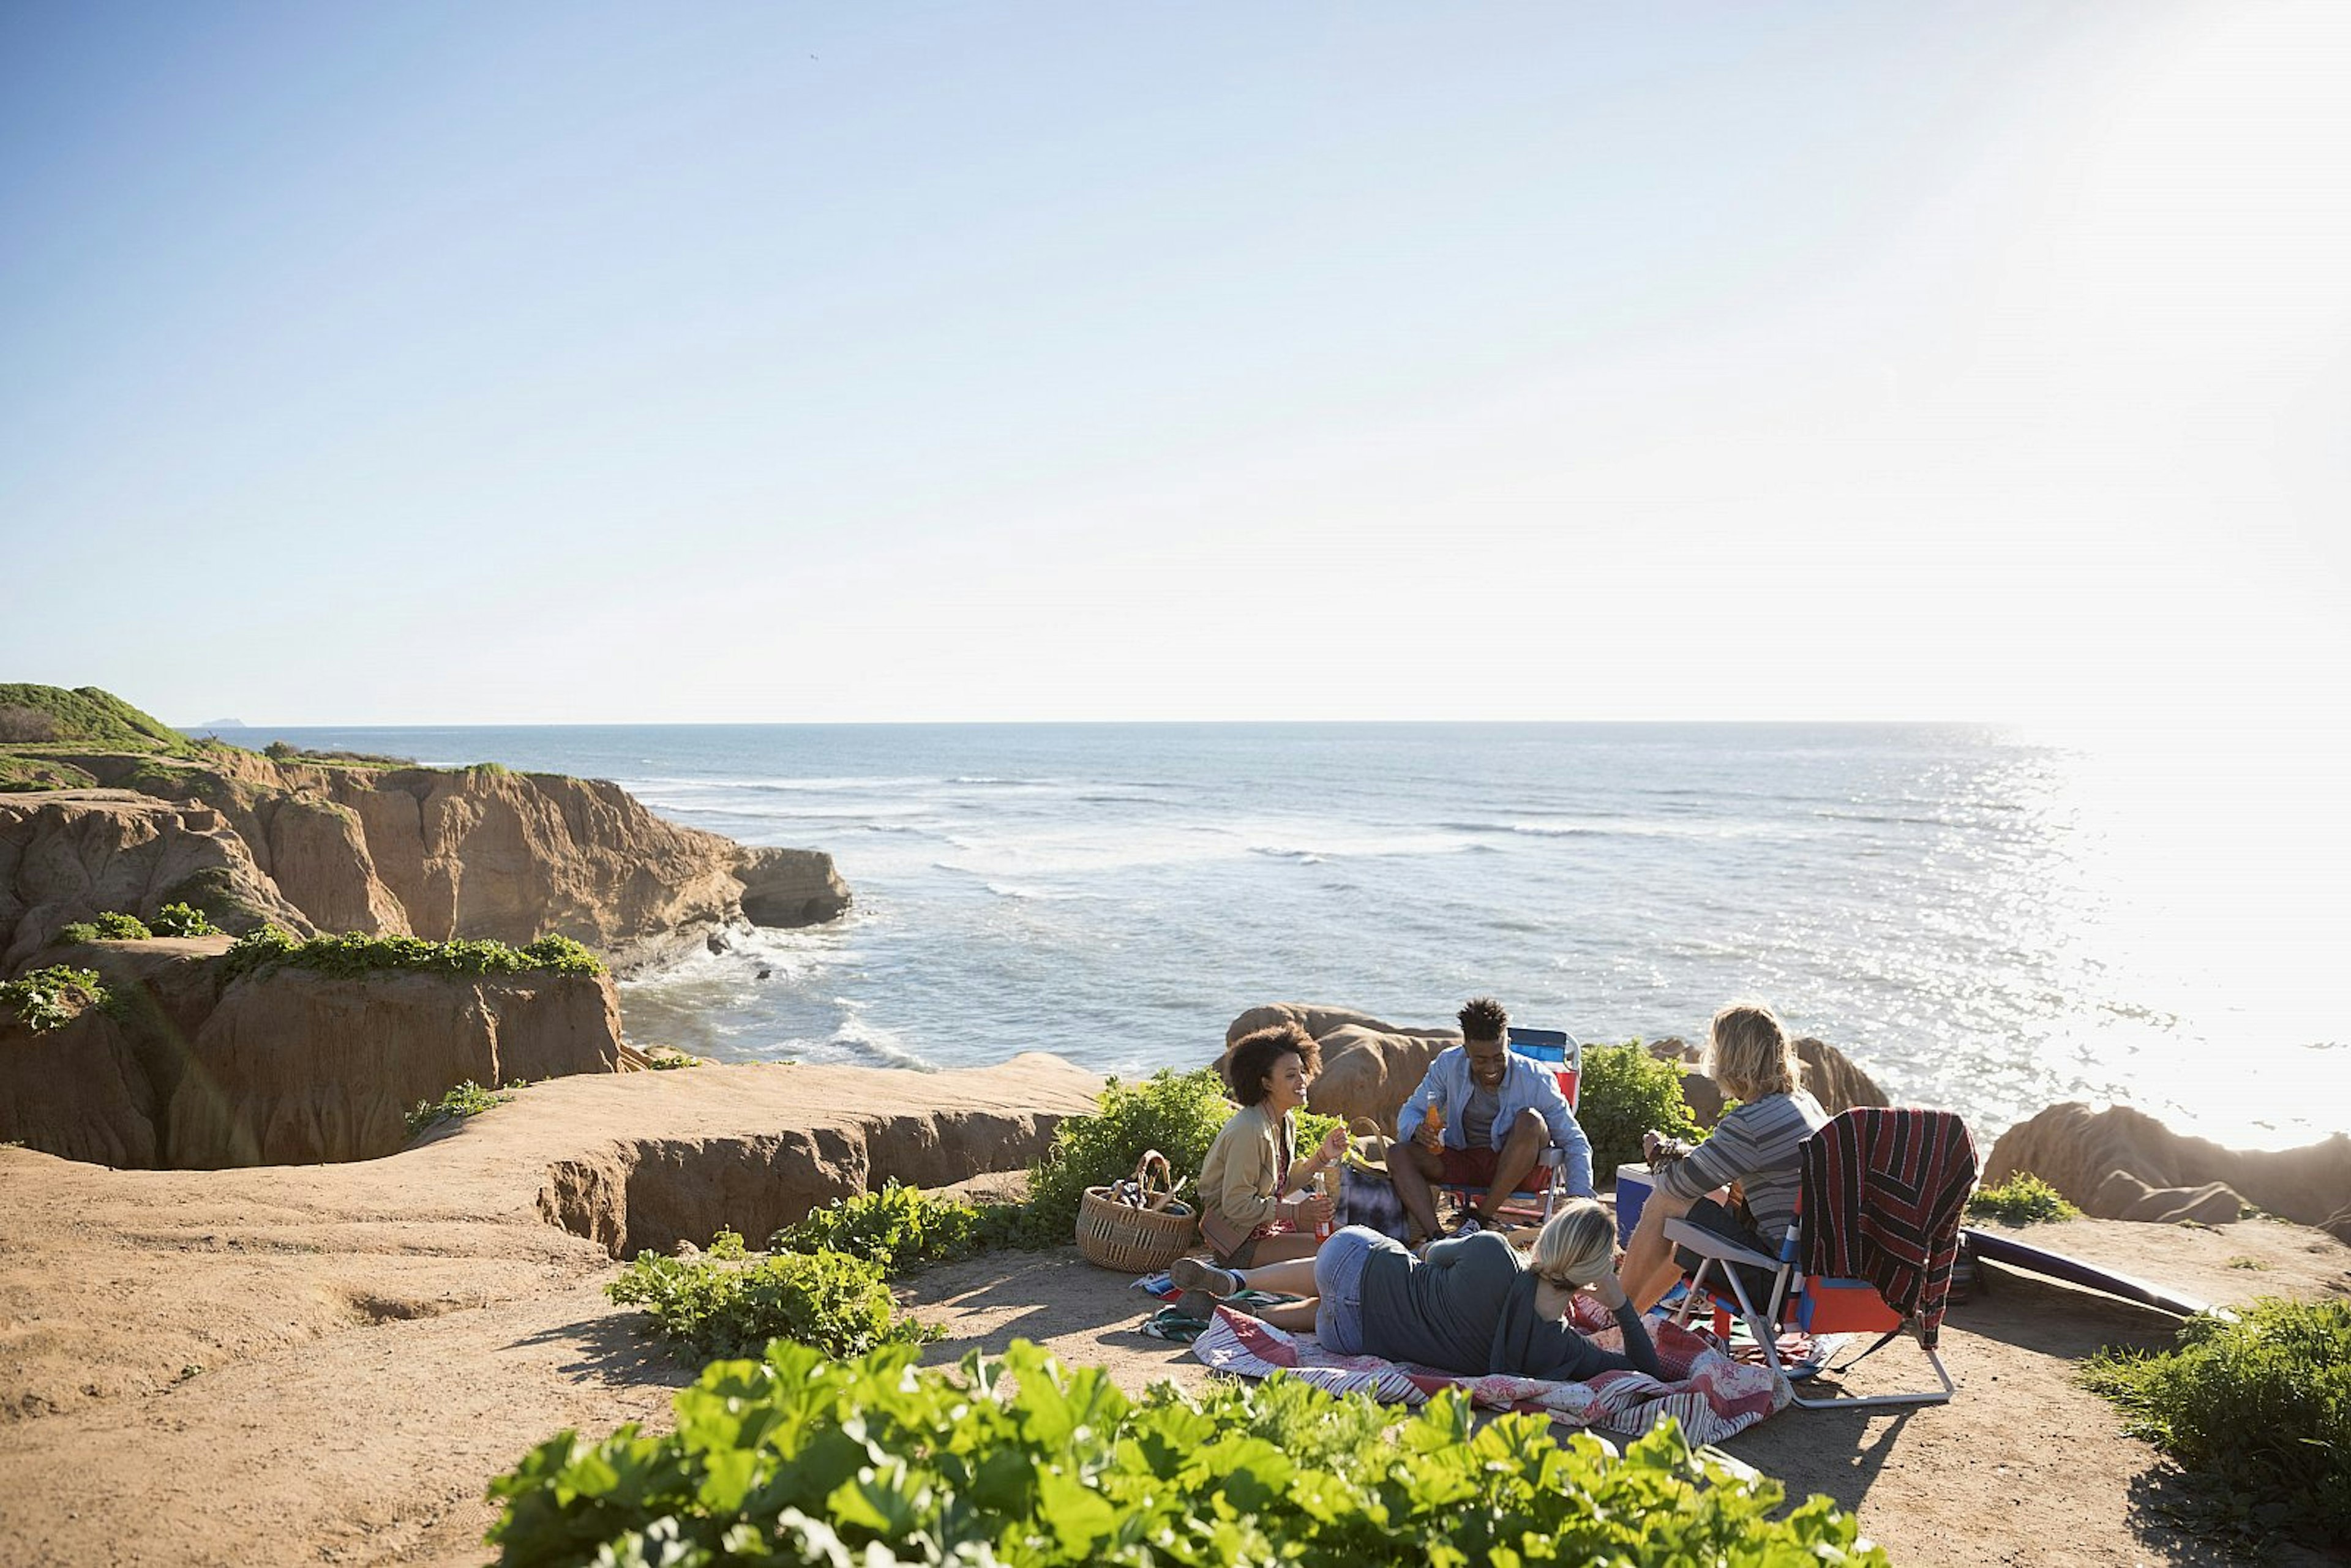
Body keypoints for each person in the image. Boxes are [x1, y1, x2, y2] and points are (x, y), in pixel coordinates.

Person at [1172, 1198, 1659, 1382]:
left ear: (1549, 1235)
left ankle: (1243, 1281)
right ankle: (1254, 1313)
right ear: (1594, 1272)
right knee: (1334, 1308)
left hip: (1349, 1265)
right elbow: (1646, 1369)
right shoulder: (1557, 1348)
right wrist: (1618, 1302)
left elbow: (1428, 1256)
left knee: (1354, 1264)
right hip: (1350, 1334)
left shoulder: (1492, 1251)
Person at [1619, 1000, 1831, 1313]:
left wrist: (1658, 1156)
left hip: (1779, 1286)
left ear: (1732, 1059)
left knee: (1668, 1201)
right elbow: (1720, 1162)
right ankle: (1632, 1317)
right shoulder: (1803, 1103)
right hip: (1818, 1279)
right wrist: (1684, 1156)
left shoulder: (1750, 1123)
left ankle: (1616, 1312)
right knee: (1714, 1201)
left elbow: (1674, 1186)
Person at [1387, 997, 1594, 1240]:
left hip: (1518, 1169)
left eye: (1498, 1056)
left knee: (1530, 1121)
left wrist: (1580, 1201)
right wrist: (1416, 1130)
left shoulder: (1536, 1079)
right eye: (1481, 1060)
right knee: (1398, 1153)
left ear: (1508, 1043)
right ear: (1466, 1050)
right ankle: (1437, 1237)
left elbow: (1574, 1140)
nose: (1491, 1067)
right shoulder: (1447, 1064)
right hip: (1464, 1160)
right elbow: (1410, 1113)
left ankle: (1480, 1220)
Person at [1197, 1021, 1346, 1267]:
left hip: (1267, 1227)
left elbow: (1279, 1187)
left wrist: (1322, 1156)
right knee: (1338, 1253)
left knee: (1349, 1238)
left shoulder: (1284, 1120)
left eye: (1302, 1071)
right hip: (1239, 1244)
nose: (1302, 1080)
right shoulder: (1249, 1130)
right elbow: (1236, 1205)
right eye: (1290, 1075)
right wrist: (1296, 1213)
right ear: (1266, 1083)